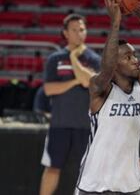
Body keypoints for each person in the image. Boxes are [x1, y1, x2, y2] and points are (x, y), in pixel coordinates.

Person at [75, 0, 140, 195]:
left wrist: (135, 6)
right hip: (93, 186)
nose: (135, 60)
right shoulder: (99, 88)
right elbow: (106, 68)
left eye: (135, 55)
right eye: (127, 57)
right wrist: (115, 22)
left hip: (129, 187)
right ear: (115, 63)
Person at [40, 13, 101, 195]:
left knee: (89, 171)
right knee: (52, 167)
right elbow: (50, 89)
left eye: (82, 29)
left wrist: (74, 58)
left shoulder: (94, 59)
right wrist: (75, 81)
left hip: (86, 125)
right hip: (60, 124)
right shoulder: (55, 59)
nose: (79, 33)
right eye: (74, 30)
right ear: (65, 33)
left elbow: (89, 82)